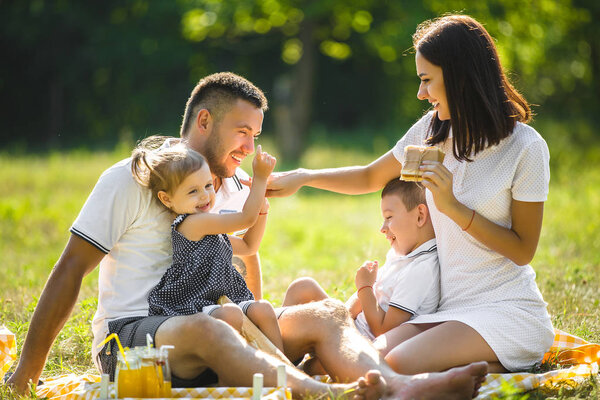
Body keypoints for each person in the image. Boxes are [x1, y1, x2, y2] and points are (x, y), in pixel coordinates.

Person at [6, 71, 488, 399]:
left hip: (217, 323)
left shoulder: (233, 184)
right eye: (243, 132)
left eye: (256, 135)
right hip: (134, 340)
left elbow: (243, 254)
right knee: (208, 326)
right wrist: (26, 374)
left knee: (324, 312)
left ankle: (395, 388)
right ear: (204, 121)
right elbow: (70, 268)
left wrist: (260, 317)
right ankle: (315, 392)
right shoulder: (132, 179)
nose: (250, 148)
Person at [267, 14, 555, 375]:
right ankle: (478, 370)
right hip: (447, 310)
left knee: (395, 364)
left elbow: (522, 249)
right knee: (369, 356)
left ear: (460, 77)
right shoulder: (432, 131)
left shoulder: (525, 147)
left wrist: (452, 207)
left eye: (426, 80)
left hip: (505, 308)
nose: (421, 93)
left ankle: (497, 365)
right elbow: (371, 175)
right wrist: (304, 177)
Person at [131, 137, 283, 351]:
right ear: (167, 199)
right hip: (194, 304)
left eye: (208, 186)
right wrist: (260, 178)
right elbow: (245, 219)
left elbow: (249, 246)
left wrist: (263, 212)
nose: (204, 196)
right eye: (192, 191)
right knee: (230, 315)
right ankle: (232, 372)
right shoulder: (192, 224)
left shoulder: (212, 234)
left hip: (223, 300)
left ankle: (283, 369)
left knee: (263, 309)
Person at [283, 179, 439, 343]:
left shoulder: (422, 269)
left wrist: (365, 288)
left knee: (313, 363)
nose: (382, 228)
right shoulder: (400, 255)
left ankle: (276, 353)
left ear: (420, 216)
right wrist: (338, 317)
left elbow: (383, 330)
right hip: (347, 328)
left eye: (389, 217)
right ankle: (272, 343)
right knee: (302, 287)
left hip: (358, 343)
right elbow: (360, 304)